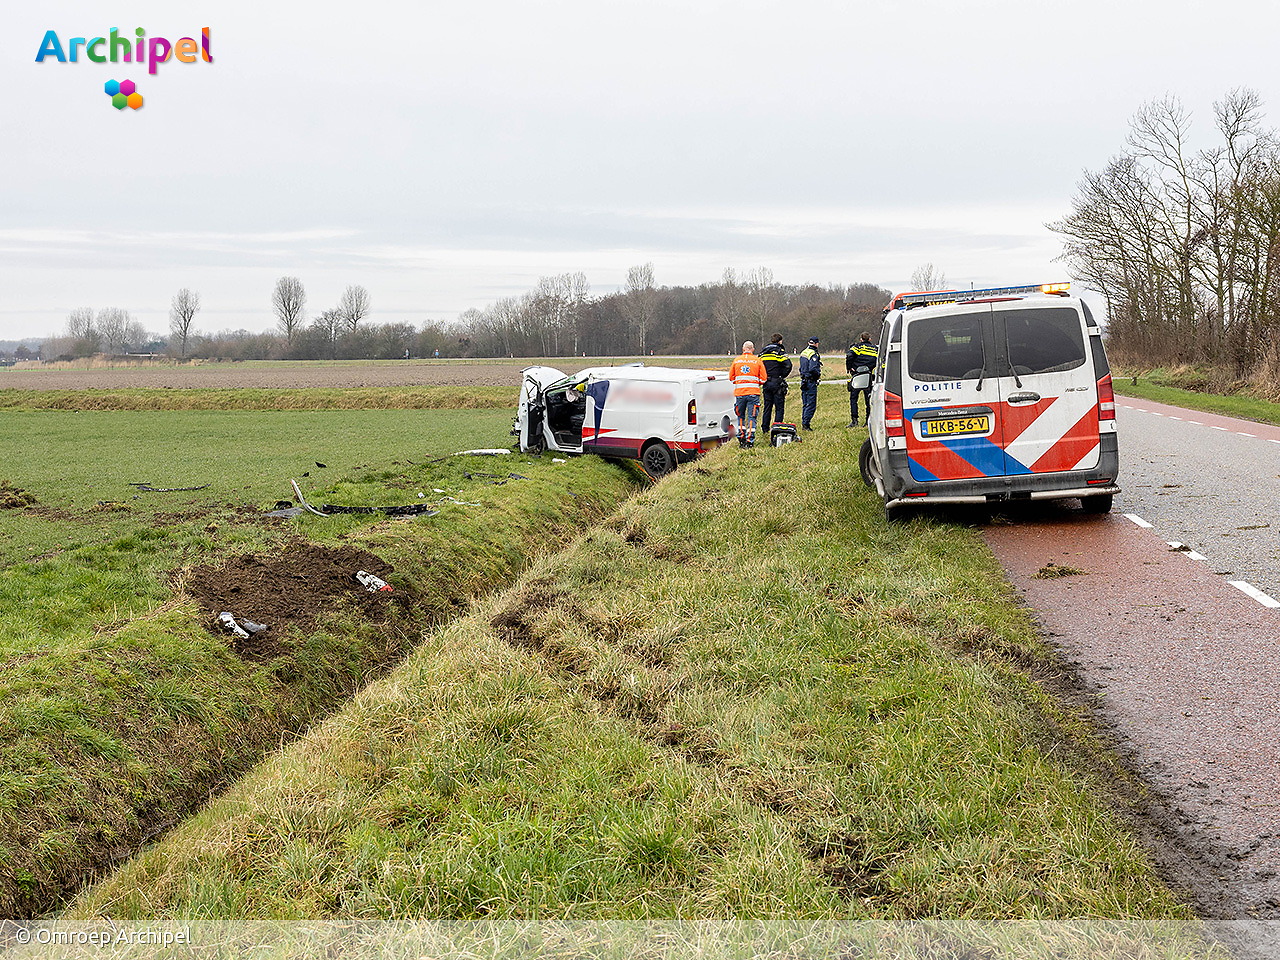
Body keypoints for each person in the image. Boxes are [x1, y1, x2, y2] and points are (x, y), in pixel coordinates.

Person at [729, 340, 766, 447]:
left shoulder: (736, 361)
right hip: (753, 393)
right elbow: (763, 379)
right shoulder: (757, 360)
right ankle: (750, 440)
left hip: (740, 393)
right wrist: (754, 383)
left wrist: (741, 382)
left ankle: (741, 437)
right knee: (752, 417)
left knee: (740, 416)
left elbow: (731, 378)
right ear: (753, 349)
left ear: (743, 349)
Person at [757, 334, 792, 436]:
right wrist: (782, 375)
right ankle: (777, 428)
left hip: (766, 382)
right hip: (777, 381)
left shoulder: (763, 352)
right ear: (780, 341)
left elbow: (758, 366)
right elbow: (788, 365)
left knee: (767, 406)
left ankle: (765, 428)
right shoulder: (779, 352)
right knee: (779, 407)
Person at [845, 332, 878, 427]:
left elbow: (849, 355)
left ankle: (854, 421)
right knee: (868, 399)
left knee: (853, 398)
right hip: (868, 376)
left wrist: (849, 367)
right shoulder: (875, 349)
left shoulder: (857, 347)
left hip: (857, 376)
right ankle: (868, 420)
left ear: (861, 339)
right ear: (870, 339)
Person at [797, 336, 822, 430]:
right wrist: (817, 375)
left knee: (805, 403)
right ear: (816, 343)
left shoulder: (804, 352)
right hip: (811, 381)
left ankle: (804, 421)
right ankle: (806, 424)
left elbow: (801, 367)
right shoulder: (813, 354)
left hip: (803, 380)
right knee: (811, 404)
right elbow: (813, 368)